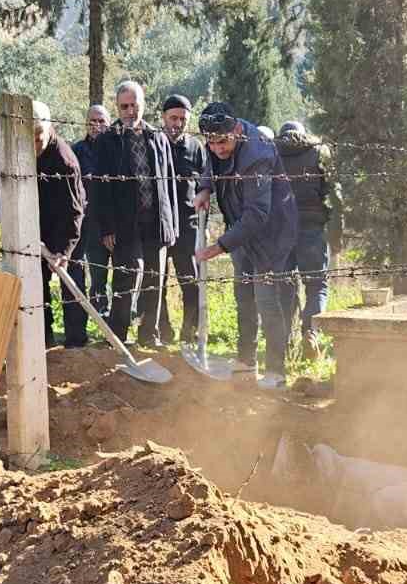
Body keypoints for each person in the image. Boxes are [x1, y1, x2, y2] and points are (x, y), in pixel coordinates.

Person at [195, 103, 298, 389]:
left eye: (222, 142)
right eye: (211, 143)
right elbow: (210, 164)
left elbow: (258, 214)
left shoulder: (257, 154)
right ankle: (245, 362)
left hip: (271, 234)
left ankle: (276, 372)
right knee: (243, 296)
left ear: (237, 129)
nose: (217, 149)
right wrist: (205, 187)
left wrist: (218, 246)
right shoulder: (218, 142)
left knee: (266, 300)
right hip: (241, 229)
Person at [97, 80, 178, 345]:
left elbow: (169, 183)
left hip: (156, 222)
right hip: (124, 223)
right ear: (117, 108)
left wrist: (171, 224)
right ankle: (118, 336)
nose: (130, 111)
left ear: (143, 106)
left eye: (135, 105)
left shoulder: (157, 137)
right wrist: (107, 227)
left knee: (155, 281)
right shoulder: (108, 140)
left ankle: (148, 336)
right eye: (124, 107)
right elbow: (101, 188)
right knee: (125, 278)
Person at [277, 120, 341, 357]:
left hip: (281, 231)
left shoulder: (272, 154)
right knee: (317, 286)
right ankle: (311, 332)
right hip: (312, 228)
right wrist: (336, 233)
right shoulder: (319, 152)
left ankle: (282, 341)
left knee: (283, 287)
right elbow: (334, 195)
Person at [33, 101, 87, 347]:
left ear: (49, 128)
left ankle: (76, 341)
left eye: (38, 137)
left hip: (67, 228)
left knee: (71, 279)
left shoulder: (64, 160)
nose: (34, 145)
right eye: (29, 138)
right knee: (36, 286)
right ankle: (43, 339)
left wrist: (64, 251)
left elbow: (75, 210)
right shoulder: (16, 152)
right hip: (34, 229)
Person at [157, 95, 205, 345]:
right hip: (160, 225)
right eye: (173, 118)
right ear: (163, 117)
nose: (177, 123)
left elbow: (204, 184)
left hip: (188, 226)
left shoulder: (196, 147)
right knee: (158, 283)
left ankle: (189, 332)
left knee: (190, 282)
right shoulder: (153, 142)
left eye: (183, 119)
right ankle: (163, 331)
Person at [73, 103, 112, 325]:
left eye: (101, 121)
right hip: (89, 223)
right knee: (96, 274)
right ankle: (98, 317)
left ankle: (116, 322)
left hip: (116, 221)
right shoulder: (77, 150)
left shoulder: (117, 148)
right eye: (92, 121)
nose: (96, 125)